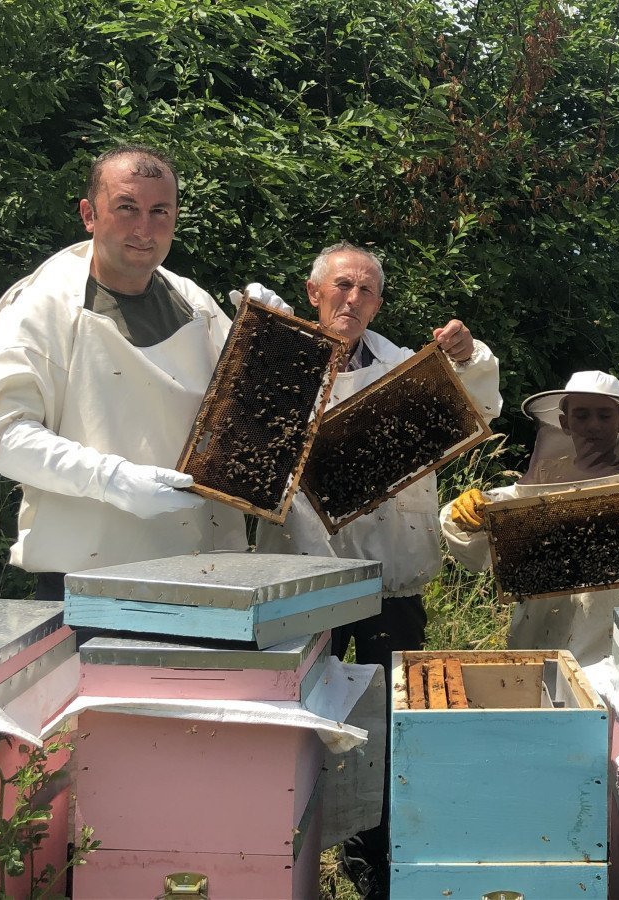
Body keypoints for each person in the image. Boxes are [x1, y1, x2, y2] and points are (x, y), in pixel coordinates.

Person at [254, 240, 502, 900]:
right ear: (314, 293)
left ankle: (378, 855)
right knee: (303, 711)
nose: (352, 299)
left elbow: (483, 404)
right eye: (342, 286)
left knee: (389, 715)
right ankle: (293, 852)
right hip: (304, 574)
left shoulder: (406, 368)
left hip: (392, 572)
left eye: (366, 290)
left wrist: (468, 356)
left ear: (378, 303)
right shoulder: (283, 362)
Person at [0, 145, 291, 600]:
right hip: (87, 583)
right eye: (127, 208)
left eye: (159, 211)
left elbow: (248, 415)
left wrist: (270, 341)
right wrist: (113, 480)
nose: (144, 229)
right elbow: (3, 440)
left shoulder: (193, 302)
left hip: (203, 572)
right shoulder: (41, 307)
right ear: (89, 214)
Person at [441, 370, 619, 666]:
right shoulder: (544, 480)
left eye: (604, 416)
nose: (593, 425)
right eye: (581, 415)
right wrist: (465, 515)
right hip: (539, 640)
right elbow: (489, 527)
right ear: (564, 423)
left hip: (615, 647)